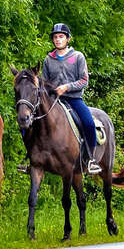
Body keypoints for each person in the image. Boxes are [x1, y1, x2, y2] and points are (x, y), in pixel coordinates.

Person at [41, 23, 101, 174]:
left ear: (68, 39)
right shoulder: (48, 59)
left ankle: (90, 159)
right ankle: (31, 158)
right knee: (32, 122)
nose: (58, 40)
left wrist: (67, 87)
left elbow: (84, 81)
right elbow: (45, 82)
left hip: (74, 100)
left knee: (88, 123)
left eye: (61, 37)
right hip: (53, 100)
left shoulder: (78, 57)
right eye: (55, 37)